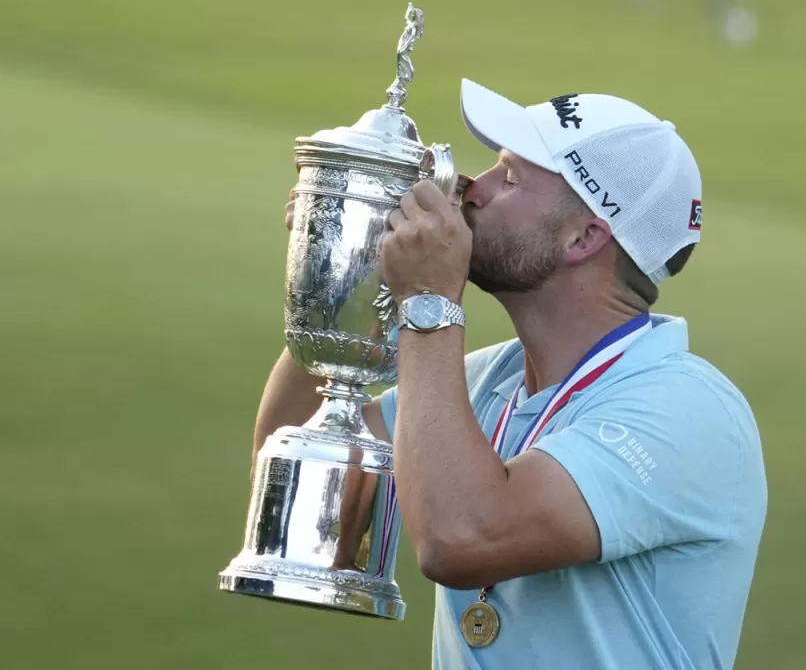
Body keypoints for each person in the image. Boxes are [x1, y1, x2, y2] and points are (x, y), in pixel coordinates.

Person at [254, 79, 768, 670]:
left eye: (512, 176)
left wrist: (428, 300)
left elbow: (461, 538)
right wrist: (338, 281)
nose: (473, 186)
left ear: (584, 236)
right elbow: (296, 473)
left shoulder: (689, 410)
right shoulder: (487, 380)